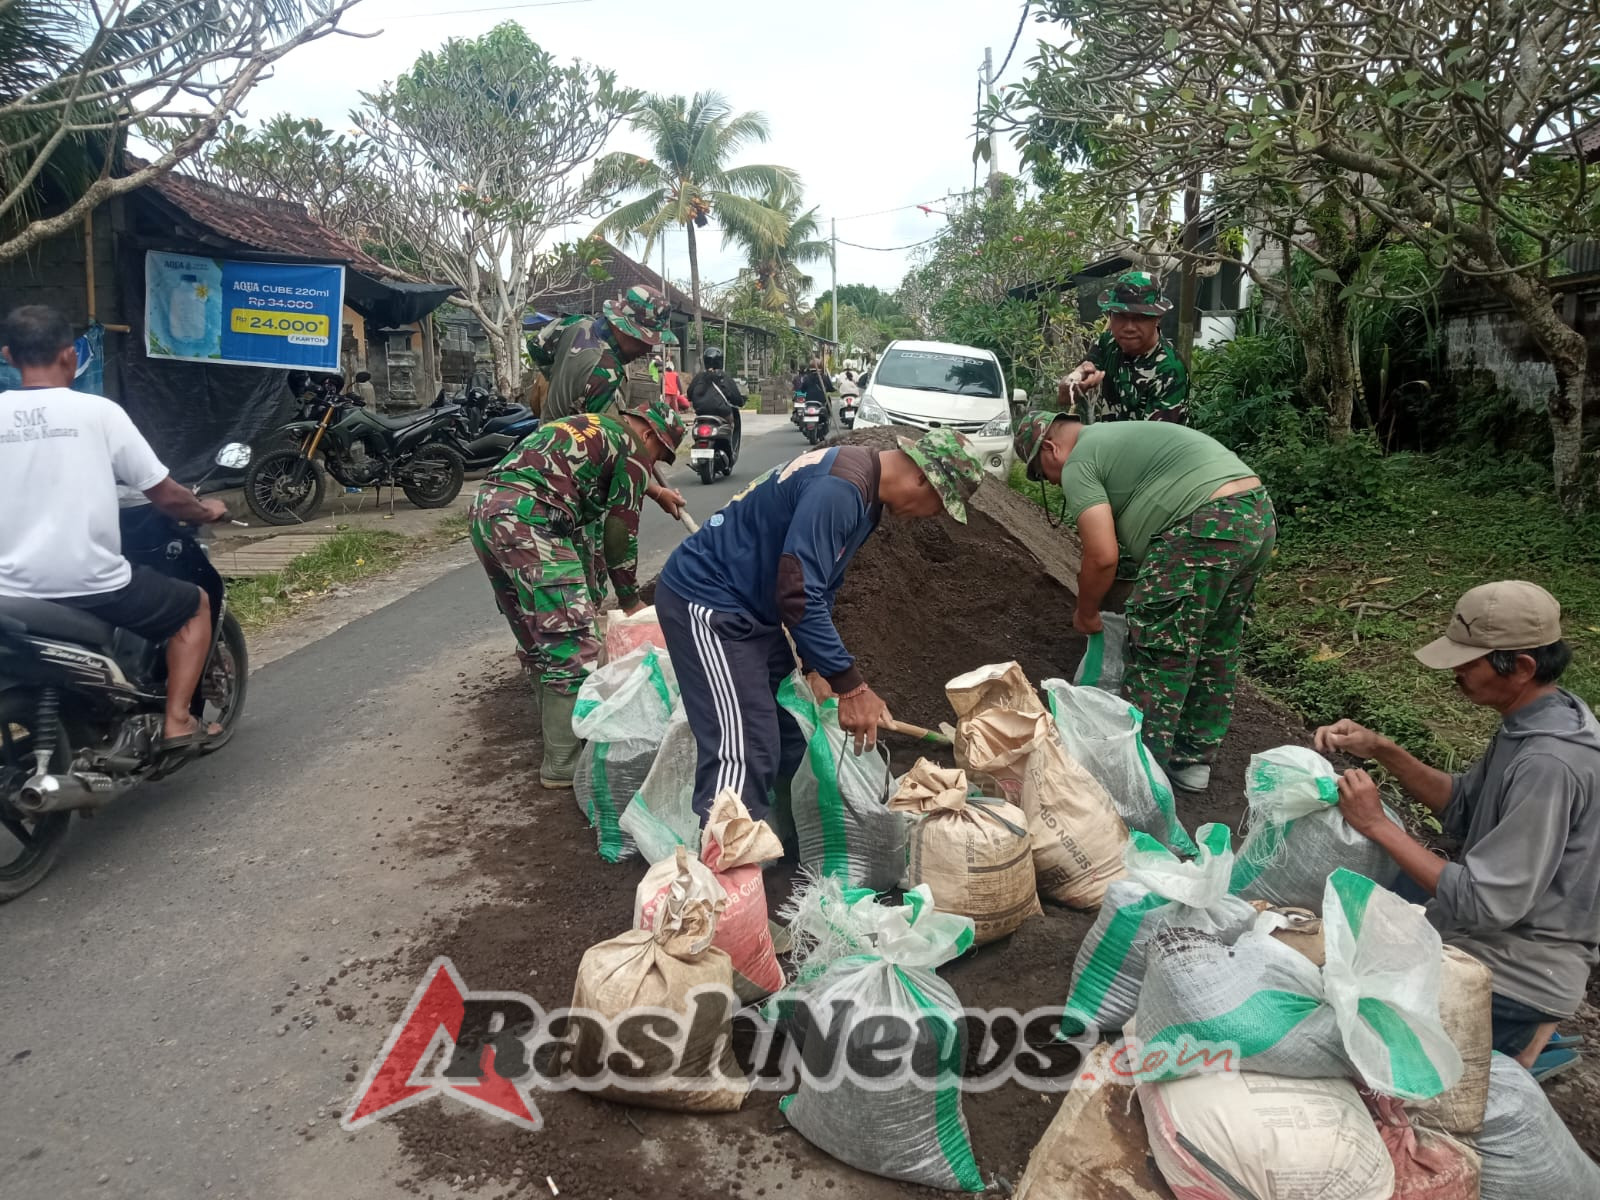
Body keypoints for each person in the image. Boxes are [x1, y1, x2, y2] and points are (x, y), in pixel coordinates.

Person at [1315, 581, 1600, 1076]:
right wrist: (1382, 748)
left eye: (1470, 662)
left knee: (1343, 1029)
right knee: (1355, 902)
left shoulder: (1550, 763)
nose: (1456, 672)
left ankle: (1519, 1042)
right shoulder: (1533, 718)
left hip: (1515, 967)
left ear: (1524, 668)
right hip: (1491, 923)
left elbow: (1484, 903)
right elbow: (1466, 807)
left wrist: (1377, 824)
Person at [655, 429, 985, 828]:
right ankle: (725, 874)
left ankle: (788, 846)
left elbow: (822, 585)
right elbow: (798, 592)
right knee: (743, 747)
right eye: (938, 505)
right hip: (709, 603)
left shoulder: (865, 494)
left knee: (790, 732)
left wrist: (817, 666)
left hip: (750, 610)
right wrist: (852, 687)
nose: (931, 516)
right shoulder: (840, 490)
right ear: (922, 478)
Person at [0, 305, 229, 749]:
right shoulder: (99, 413)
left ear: (9, 356)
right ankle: (179, 720)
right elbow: (163, 494)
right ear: (70, 356)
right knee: (195, 604)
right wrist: (205, 510)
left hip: (10, 591)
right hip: (91, 583)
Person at [1014, 408, 1275, 792]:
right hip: (1256, 517)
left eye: (1040, 473)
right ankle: (1192, 763)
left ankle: (1135, 776)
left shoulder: (1080, 461)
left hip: (1202, 525)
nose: (1051, 484)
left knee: (1159, 649)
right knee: (1216, 644)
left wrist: (1086, 613)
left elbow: (1102, 556)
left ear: (1050, 448)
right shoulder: (1118, 440)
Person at [469, 399, 686, 787]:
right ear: (650, 435)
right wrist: (630, 597)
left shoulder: (594, 425)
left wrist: (653, 491)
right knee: (571, 641)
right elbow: (620, 532)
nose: (655, 464)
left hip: (490, 510)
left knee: (537, 635)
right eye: (660, 455)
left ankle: (556, 740)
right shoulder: (635, 451)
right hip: (533, 521)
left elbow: (586, 474)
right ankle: (565, 763)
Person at [524, 286, 686, 600]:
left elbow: (537, 346)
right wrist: (652, 490)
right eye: (645, 340)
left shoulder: (575, 326)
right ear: (626, 329)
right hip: (565, 480)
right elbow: (612, 456)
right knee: (582, 584)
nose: (645, 349)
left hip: (540, 448)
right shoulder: (604, 371)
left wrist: (556, 378)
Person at [1066, 270, 1188, 423]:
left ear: (1157, 318)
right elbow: (1068, 391)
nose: (1129, 327)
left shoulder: (1169, 371)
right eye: (1121, 315)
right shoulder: (1108, 342)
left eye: (1140, 317)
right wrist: (1075, 380)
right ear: (1109, 315)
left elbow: (1157, 442)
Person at [686, 346, 744, 451]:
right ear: (720, 361)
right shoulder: (724, 377)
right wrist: (741, 401)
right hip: (721, 413)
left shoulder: (699, 377)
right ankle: (730, 449)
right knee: (732, 423)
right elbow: (736, 397)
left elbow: (689, 394)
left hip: (701, 414)